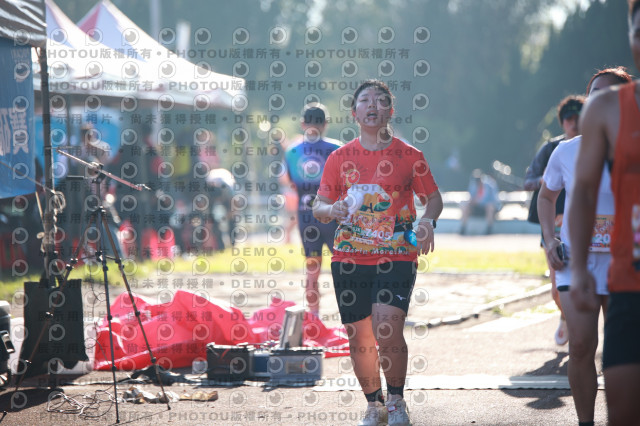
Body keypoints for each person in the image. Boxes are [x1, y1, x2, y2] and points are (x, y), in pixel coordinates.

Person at [313, 79, 443, 426]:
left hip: (396, 254)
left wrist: (427, 222)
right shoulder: (339, 158)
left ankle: (396, 401)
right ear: (354, 113)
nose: (373, 105)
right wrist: (332, 209)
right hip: (349, 257)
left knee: (387, 328)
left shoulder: (410, 156)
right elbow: (319, 205)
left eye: (381, 100)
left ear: (390, 110)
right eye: (365, 100)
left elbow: (433, 199)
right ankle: (375, 405)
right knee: (360, 338)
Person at [538, 67, 632, 426]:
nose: (598, 101)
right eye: (593, 94)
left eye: (609, 94)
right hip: (577, 263)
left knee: (623, 355)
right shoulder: (566, 151)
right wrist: (550, 238)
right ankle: (586, 422)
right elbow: (546, 197)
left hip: (626, 263)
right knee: (580, 346)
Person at [570, 2, 640, 424]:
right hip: (629, 281)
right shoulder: (607, 109)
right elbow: (581, 191)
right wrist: (579, 268)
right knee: (625, 408)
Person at [524, 95, 585, 346]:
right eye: (569, 118)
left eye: (578, 117)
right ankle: (565, 315)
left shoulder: (600, 146)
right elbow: (528, 181)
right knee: (557, 288)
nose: (574, 122)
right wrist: (546, 180)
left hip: (588, 229)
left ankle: (581, 337)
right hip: (554, 225)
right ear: (562, 122)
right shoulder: (552, 149)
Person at [283, 104, 341, 318]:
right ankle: (353, 314)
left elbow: (291, 183)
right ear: (326, 124)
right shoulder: (337, 149)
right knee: (344, 267)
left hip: (307, 217)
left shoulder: (292, 151)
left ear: (302, 124)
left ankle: (314, 316)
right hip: (333, 217)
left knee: (312, 270)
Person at [459, 168, 501, 235]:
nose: (477, 181)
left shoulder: (491, 184)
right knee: (465, 206)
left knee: (489, 206)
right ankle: (463, 228)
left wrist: (480, 201)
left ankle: (489, 229)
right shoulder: (473, 184)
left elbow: (494, 201)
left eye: (479, 179)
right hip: (477, 208)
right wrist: (473, 202)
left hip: (488, 209)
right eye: (476, 179)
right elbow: (471, 198)